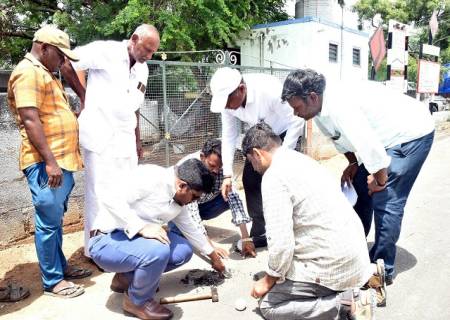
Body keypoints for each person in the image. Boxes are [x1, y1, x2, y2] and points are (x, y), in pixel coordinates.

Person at [281, 69, 435, 286]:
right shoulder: (318, 109)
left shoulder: (341, 106)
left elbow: (370, 147)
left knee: (386, 198)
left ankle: (381, 270)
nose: (296, 114)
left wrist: (380, 180)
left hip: (410, 133)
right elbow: (341, 139)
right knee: (358, 187)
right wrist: (353, 163)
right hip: (380, 139)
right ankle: (355, 251)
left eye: (297, 107)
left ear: (312, 97)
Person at [242, 123, 378, 320]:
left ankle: (346, 304)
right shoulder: (299, 159)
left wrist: (269, 279)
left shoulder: (273, 177)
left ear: (257, 153)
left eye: (250, 162)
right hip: (356, 255)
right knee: (281, 274)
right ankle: (367, 278)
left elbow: (281, 244)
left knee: (270, 306)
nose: (253, 168)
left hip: (335, 264)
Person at [61, 24, 161, 257]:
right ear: (134, 39)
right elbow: (67, 63)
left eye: (153, 52)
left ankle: (120, 242)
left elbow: (135, 106)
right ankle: (94, 250)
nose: (148, 55)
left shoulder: (143, 69)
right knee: (98, 193)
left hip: (125, 138)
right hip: (99, 136)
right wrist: (84, 96)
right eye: (146, 49)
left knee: (125, 191)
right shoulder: (104, 51)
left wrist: (137, 141)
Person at [7, 25, 91, 298]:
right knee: (47, 222)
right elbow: (31, 119)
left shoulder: (45, 72)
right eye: (60, 55)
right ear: (43, 48)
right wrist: (51, 162)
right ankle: (53, 282)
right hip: (48, 164)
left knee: (54, 221)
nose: (63, 61)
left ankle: (61, 268)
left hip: (60, 161)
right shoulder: (28, 72)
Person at [88, 159, 225, 320]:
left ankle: (124, 279)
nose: (193, 202)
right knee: (159, 250)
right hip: (106, 241)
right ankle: (136, 302)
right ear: (182, 186)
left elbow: (191, 229)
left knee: (183, 250)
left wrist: (213, 256)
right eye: (194, 197)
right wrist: (141, 227)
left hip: (133, 243)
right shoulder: (150, 177)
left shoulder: (179, 199)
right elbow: (109, 198)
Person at [209, 67, 304, 248]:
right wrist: (228, 174)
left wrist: (282, 155)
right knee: (251, 180)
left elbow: (296, 121)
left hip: (284, 135)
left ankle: (294, 231)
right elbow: (229, 135)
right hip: (260, 136)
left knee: (285, 182)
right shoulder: (227, 102)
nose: (227, 106)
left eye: (228, 101)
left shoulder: (269, 90)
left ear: (242, 89)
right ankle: (261, 232)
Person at [170, 139, 256, 257]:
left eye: (220, 167)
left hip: (203, 206)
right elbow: (191, 209)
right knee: (181, 236)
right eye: (212, 166)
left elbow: (235, 200)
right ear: (202, 157)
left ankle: (198, 229)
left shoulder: (221, 168)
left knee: (230, 194)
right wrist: (211, 248)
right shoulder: (190, 168)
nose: (216, 170)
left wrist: (246, 238)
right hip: (182, 207)